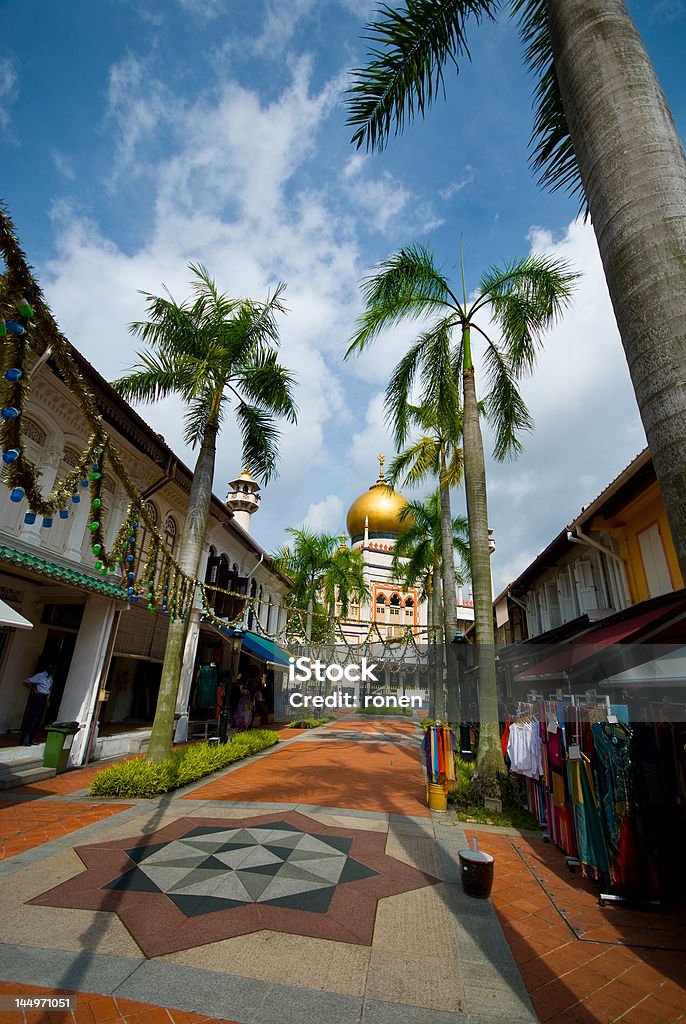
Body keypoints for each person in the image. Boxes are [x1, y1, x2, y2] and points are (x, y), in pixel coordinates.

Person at [21, 663, 55, 746]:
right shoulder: (41, 676)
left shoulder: (50, 678)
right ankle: (25, 739)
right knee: (33, 718)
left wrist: (47, 701)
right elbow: (26, 682)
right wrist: (34, 690)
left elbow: (48, 690)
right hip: (38, 696)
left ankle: (31, 738)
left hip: (44, 697)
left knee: (38, 719)